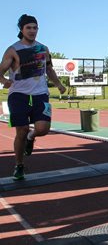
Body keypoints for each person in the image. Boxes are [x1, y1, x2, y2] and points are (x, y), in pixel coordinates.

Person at [0, 14, 66, 180]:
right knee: (21, 131)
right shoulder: (13, 50)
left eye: (35, 28)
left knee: (43, 129)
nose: (32, 31)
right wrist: (4, 80)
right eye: (28, 27)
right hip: (18, 95)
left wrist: (58, 84)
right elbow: (0, 71)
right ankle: (19, 165)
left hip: (40, 93)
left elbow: (49, 69)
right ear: (21, 29)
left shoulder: (43, 48)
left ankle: (31, 137)